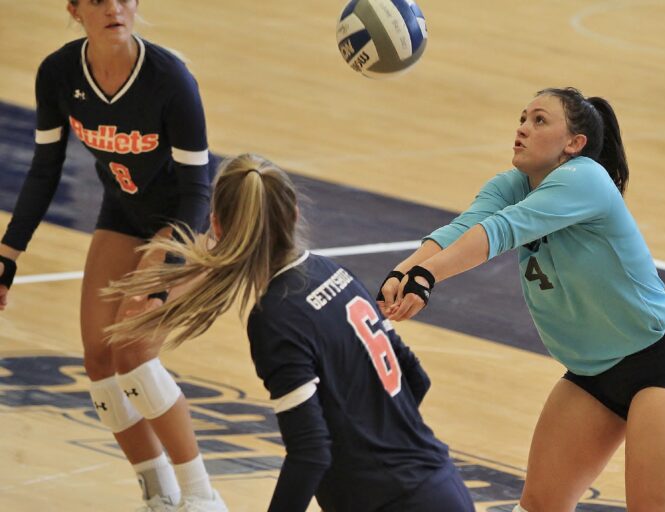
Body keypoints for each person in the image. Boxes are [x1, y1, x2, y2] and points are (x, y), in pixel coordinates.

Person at [376, 87, 665, 512]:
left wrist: (427, 277)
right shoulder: (510, 185)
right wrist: (404, 272)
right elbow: (467, 227)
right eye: (522, 118)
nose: (522, 128)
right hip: (592, 374)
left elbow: (503, 231)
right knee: (539, 505)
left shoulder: (584, 178)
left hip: (659, 365)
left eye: (539, 120)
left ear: (574, 143)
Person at [103, 154, 476, 512]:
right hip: (441, 485)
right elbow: (415, 378)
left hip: (388, 502)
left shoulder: (275, 318)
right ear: (294, 213)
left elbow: (310, 452)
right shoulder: (336, 273)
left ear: (216, 226)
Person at [0, 1, 227, 510]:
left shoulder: (170, 78)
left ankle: (202, 497)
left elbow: (198, 190)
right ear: (75, 10)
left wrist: (165, 275)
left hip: (188, 223)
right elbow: (44, 170)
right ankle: (159, 493)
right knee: (99, 360)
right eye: (98, 0)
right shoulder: (58, 73)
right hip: (123, 213)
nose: (113, 9)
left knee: (133, 352)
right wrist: (8, 252)